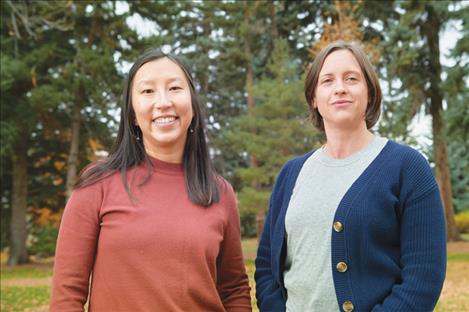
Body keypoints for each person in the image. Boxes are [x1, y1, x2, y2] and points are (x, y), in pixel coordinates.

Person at [50, 49, 251, 311]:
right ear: (132, 113)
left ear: (192, 105)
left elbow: (234, 289)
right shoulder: (98, 182)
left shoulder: (220, 191)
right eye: (147, 91)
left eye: (175, 88)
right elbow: (67, 293)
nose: (163, 101)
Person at [255, 40, 446, 312]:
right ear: (313, 98)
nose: (340, 88)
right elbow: (266, 266)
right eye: (327, 81)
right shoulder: (291, 174)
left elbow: (423, 277)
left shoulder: (407, 167)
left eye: (352, 78)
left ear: (369, 91)